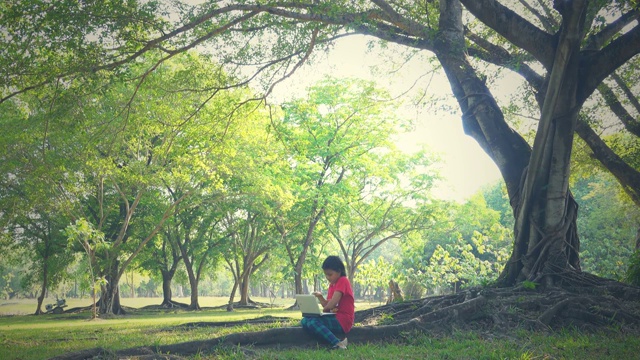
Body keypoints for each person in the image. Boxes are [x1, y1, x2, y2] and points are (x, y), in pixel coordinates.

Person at [301, 255, 355, 350]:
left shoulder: (343, 281)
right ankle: (330, 342)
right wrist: (320, 297)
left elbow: (332, 304)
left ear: (339, 271)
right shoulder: (332, 285)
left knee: (313, 322)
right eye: (326, 274)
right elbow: (328, 305)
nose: (327, 277)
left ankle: (338, 343)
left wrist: (321, 313)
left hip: (343, 320)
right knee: (305, 321)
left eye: (330, 274)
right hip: (333, 317)